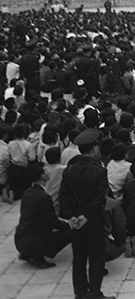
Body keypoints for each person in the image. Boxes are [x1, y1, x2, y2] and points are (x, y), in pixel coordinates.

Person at [59, 128, 112, 299]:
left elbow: (63, 197)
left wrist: (71, 217)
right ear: (95, 148)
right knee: (96, 258)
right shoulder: (99, 171)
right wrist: (87, 216)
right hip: (92, 218)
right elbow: (99, 199)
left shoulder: (69, 170)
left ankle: (80, 292)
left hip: (75, 217)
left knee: (79, 257)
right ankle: (95, 292)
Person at [14, 161, 72, 268]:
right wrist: (70, 224)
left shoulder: (28, 192)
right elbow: (53, 222)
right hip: (34, 242)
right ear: (43, 175)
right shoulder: (43, 197)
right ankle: (37, 255)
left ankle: (29, 253)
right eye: (46, 170)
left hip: (21, 239)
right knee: (71, 232)